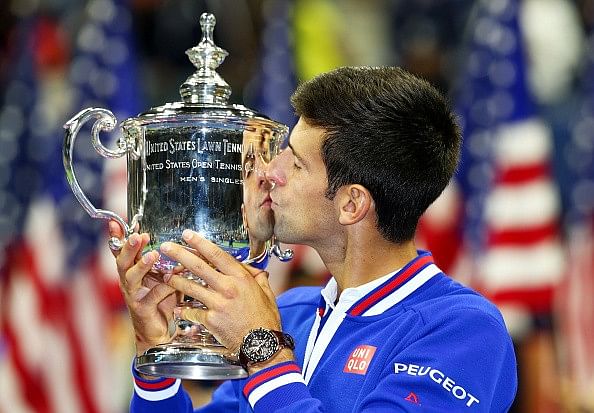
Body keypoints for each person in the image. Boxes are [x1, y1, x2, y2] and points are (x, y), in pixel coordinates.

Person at [112, 66, 517, 412]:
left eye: (297, 161)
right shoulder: (289, 312)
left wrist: (265, 352)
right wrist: (155, 358)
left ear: (351, 204)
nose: (270, 170)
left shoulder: (465, 331)